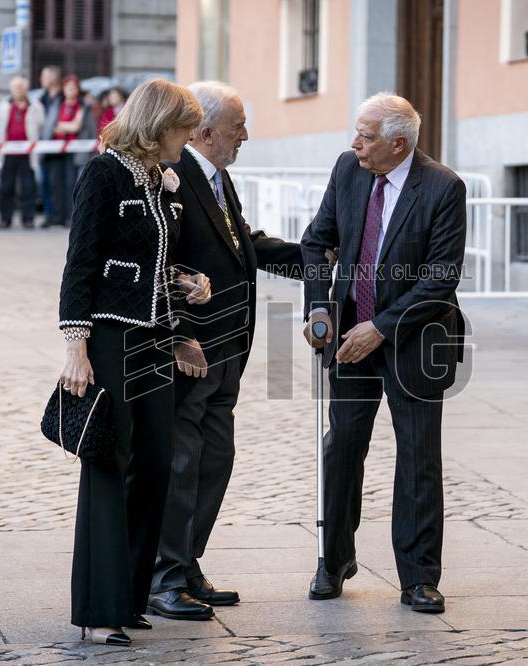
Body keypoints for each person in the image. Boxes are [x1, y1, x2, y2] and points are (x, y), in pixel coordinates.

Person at [300, 93, 467, 614]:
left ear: (399, 143)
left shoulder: (443, 187)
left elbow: (442, 277)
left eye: (365, 136)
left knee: (418, 457)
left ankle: (419, 578)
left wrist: (383, 327)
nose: (355, 144)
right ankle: (333, 561)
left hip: (417, 340)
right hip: (350, 337)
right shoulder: (348, 171)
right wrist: (317, 310)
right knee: (342, 449)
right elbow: (314, 242)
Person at [56, 78, 210, 646]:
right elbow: (82, 265)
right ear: (157, 124)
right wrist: (76, 346)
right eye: (183, 128)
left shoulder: (162, 181)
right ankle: (99, 611)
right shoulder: (105, 173)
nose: (189, 139)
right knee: (109, 465)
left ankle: (131, 595)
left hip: (155, 342)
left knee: (155, 463)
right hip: (112, 341)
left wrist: (187, 295)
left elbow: (155, 266)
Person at [147, 81, 306, 620]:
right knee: (183, 462)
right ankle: (162, 578)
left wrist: (312, 256)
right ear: (206, 132)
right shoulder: (173, 178)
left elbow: (243, 241)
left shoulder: (217, 177)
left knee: (215, 458)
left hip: (228, 348)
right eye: (239, 126)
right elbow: (158, 263)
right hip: (191, 350)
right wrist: (177, 334)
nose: (247, 135)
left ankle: (187, 565)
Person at [0, 77, 44, 228]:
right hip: (8, 152)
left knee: (28, 187)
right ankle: (5, 218)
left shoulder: (35, 105)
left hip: (28, 153)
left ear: (26, 89)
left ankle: (28, 219)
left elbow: (41, 125)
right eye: (16, 87)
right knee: (6, 187)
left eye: (22, 87)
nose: (19, 89)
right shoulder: (4, 105)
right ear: (11, 89)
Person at [41, 74, 85, 228]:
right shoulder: (58, 103)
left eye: (73, 87)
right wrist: (65, 126)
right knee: (54, 183)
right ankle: (56, 217)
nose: (70, 90)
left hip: (73, 150)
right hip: (55, 149)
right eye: (67, 87)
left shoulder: (81, 105)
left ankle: (70, 217)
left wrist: (62, 126)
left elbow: (76, 126)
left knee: (71, 184)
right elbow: (51, 125)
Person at [38, 66, 62, 224]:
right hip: (42, 147)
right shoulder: (42, 99)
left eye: (44, 76)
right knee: (44, 183)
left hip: (59, 148)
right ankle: (48, 215)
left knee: (57, 184)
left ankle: (57, 216)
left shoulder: (62, 98)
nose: (41, 80)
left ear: (52, 78)